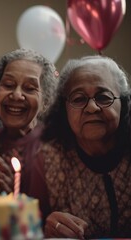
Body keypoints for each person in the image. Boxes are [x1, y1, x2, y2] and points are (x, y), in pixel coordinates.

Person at [29, 55, 131, 238]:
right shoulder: (46, 160)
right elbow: (32, 229)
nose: (92, 107)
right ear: (64, 109)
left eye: (103, 97)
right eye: (78, 99)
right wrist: (47, 227)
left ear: (123, 103)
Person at [0, 48, 58, 194]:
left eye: (29, 88)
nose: (16, 95)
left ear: (45, 102)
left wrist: (14, 194)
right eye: (8, 85)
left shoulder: (56, 147)